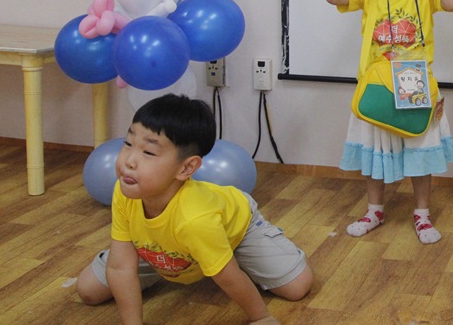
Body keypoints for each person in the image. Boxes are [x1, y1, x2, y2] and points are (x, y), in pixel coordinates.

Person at [76, 94, 312, 325]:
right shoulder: (125, 190)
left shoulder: (196, 219)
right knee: (88, 289)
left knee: (296, 286)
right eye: (128, 144)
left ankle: (232, 252)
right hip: (164, 246)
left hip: (236, 228)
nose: (129, 161)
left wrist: (261, 317)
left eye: (148, 152)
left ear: (186, 168)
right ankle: (204, 255)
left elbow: (229, 278)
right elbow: (120, 268)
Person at [325, 0, 453, 244]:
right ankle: (375, 210)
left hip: (414, 84)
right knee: (375, 151)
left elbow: (452, 2)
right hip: (377, 85)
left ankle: (422, 215)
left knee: (420, 150)